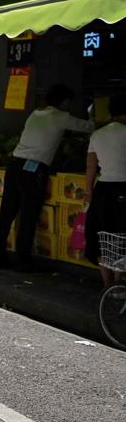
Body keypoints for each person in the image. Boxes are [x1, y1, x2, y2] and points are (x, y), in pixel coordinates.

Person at [0, 84, 93, 270]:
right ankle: (23, 260)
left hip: (14, 165)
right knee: (28, 215)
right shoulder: (60, 116)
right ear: (64, 102)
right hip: (33, 170)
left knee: (7, 212)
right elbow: (88, 127)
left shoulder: (35, 114)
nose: (69, 106)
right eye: (69, 102)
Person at [84, 95, 126, 286]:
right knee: (121, 236)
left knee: (103, 238)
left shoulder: (97, 135)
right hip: (123, 189)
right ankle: (119, 283)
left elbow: (91, 168)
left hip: (103, 191)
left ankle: (107, 284)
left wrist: (88, 191)